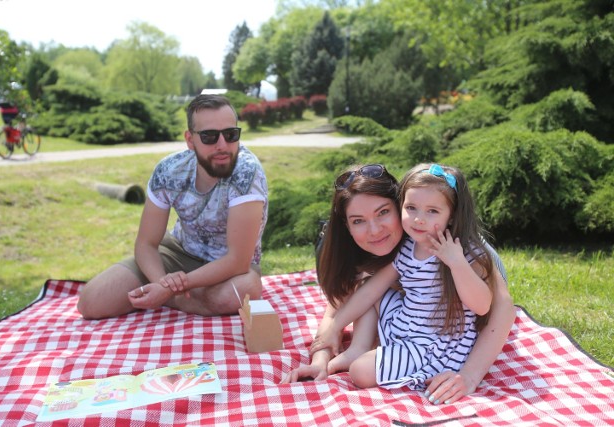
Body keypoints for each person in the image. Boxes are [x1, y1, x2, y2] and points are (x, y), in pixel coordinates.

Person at [282, 163, 515, 406]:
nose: (374, 229)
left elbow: (500, 308)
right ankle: (360, 348)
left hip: (452, 326)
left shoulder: (453, 243)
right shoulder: (400, 246)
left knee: (364, 362)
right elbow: (339, 309)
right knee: (371, 289)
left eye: (383, 212)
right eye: (358, 220)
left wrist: (469, 376)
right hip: (415, 322)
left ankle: (375, 353)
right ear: (346, 226)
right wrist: (319, 360)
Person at [77, 94, 268, 319]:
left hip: (230, 268)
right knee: (92, 302)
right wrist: (161, 280)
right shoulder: (169, 171)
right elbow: (146, 244)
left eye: (231, 134)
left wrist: (170, 288)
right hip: (178, 253)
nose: (222, 145)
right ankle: (193, 298)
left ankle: (172, 299)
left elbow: (237, 260)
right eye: (209, 136)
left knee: (243, 291)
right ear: (190, 139)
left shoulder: (246, 172)